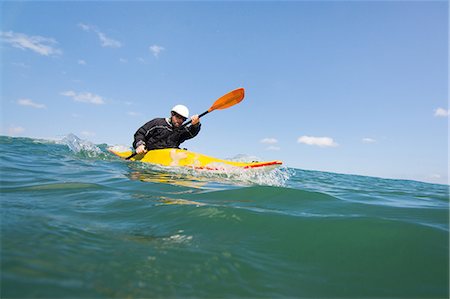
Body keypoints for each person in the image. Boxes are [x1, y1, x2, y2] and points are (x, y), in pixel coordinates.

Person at [133, 105, 201, 154]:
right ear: (172, 114)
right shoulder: (157, 123)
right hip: (148, 153)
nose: (180, 121)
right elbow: (141, 133)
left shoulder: (181, 130)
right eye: (178, 117)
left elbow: (191, 133)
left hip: (168, 156)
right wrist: (140, 145)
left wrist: (196, 125)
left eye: (183, 119)